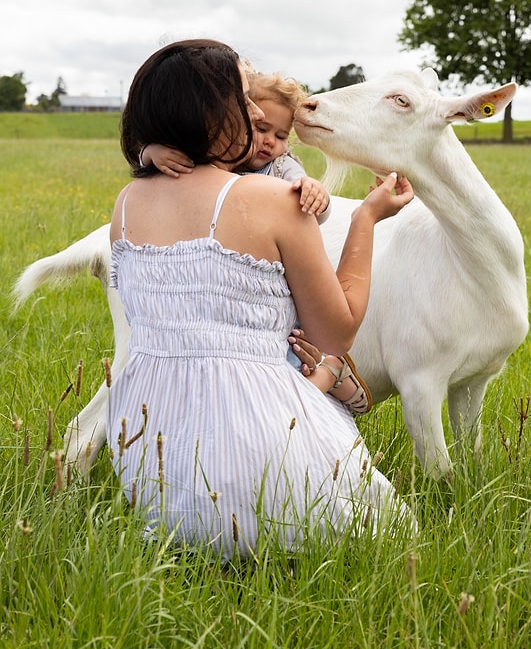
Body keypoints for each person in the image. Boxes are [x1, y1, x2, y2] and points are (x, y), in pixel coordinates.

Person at [108, 38, 414, 559]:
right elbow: (335, 333)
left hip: (158, 469)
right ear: (204, 109)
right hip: (266, 453)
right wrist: (365, 217)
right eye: (242, 97)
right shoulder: (272, 200)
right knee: (391, 533)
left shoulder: (126, 203)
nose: (255, 111)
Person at [139, 69, 372, 414]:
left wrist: (313, 192)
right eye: (261, 129)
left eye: (281, 135)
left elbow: (312, 206)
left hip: (276, 280)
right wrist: (150, 153)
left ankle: (331, 372)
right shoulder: (216, 162)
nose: (269, 142)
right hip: (229, 284)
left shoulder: (281, 167)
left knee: (291, 347)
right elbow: (164, 168)